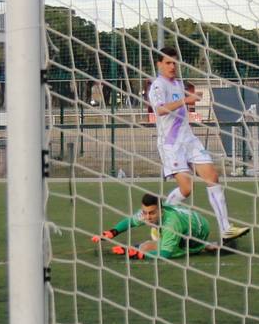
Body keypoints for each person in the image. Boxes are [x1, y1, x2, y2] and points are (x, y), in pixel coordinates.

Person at [146, 46, 248, 242]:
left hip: (189, 139)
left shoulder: (178, 83)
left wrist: (189, 99)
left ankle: (226, 228)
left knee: (212, 176)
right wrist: (187, 99)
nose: (172, 66)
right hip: (171, 144)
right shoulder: (158, 86)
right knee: (186, 189)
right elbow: (159, 110)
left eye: (175, 62)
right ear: (159, 64)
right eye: (168, 62)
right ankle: (159, 223)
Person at [93, 192, 226, 259]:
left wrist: (139, 254)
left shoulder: (171, 224)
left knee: (147, 248)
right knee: (150, 244)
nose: (147, 217)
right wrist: (112, 232)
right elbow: (130, 222)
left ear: (161, 211)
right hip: (189, 220)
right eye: (145, 213)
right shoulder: (147, 214)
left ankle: (203, 246)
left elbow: (165, 254)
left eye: (151, 213)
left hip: (199, 230)